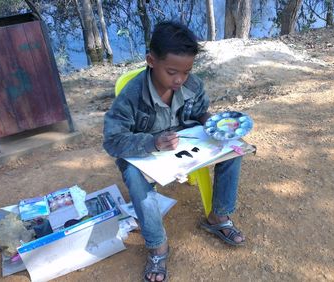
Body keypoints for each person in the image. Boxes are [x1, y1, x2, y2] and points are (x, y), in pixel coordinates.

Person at [103, 21, 245, 282]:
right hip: (144, 150)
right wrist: (153, 143)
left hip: (185, 142)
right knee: (134, 175)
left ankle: (218, 216)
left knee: (233, 149)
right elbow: (112, 141)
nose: (180, 79)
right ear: (150, 61)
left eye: (187, 71)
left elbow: (201, 111)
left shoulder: (192, 84)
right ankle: (158, 246)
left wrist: (213, 125)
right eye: (171, 72)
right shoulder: (131, 96)